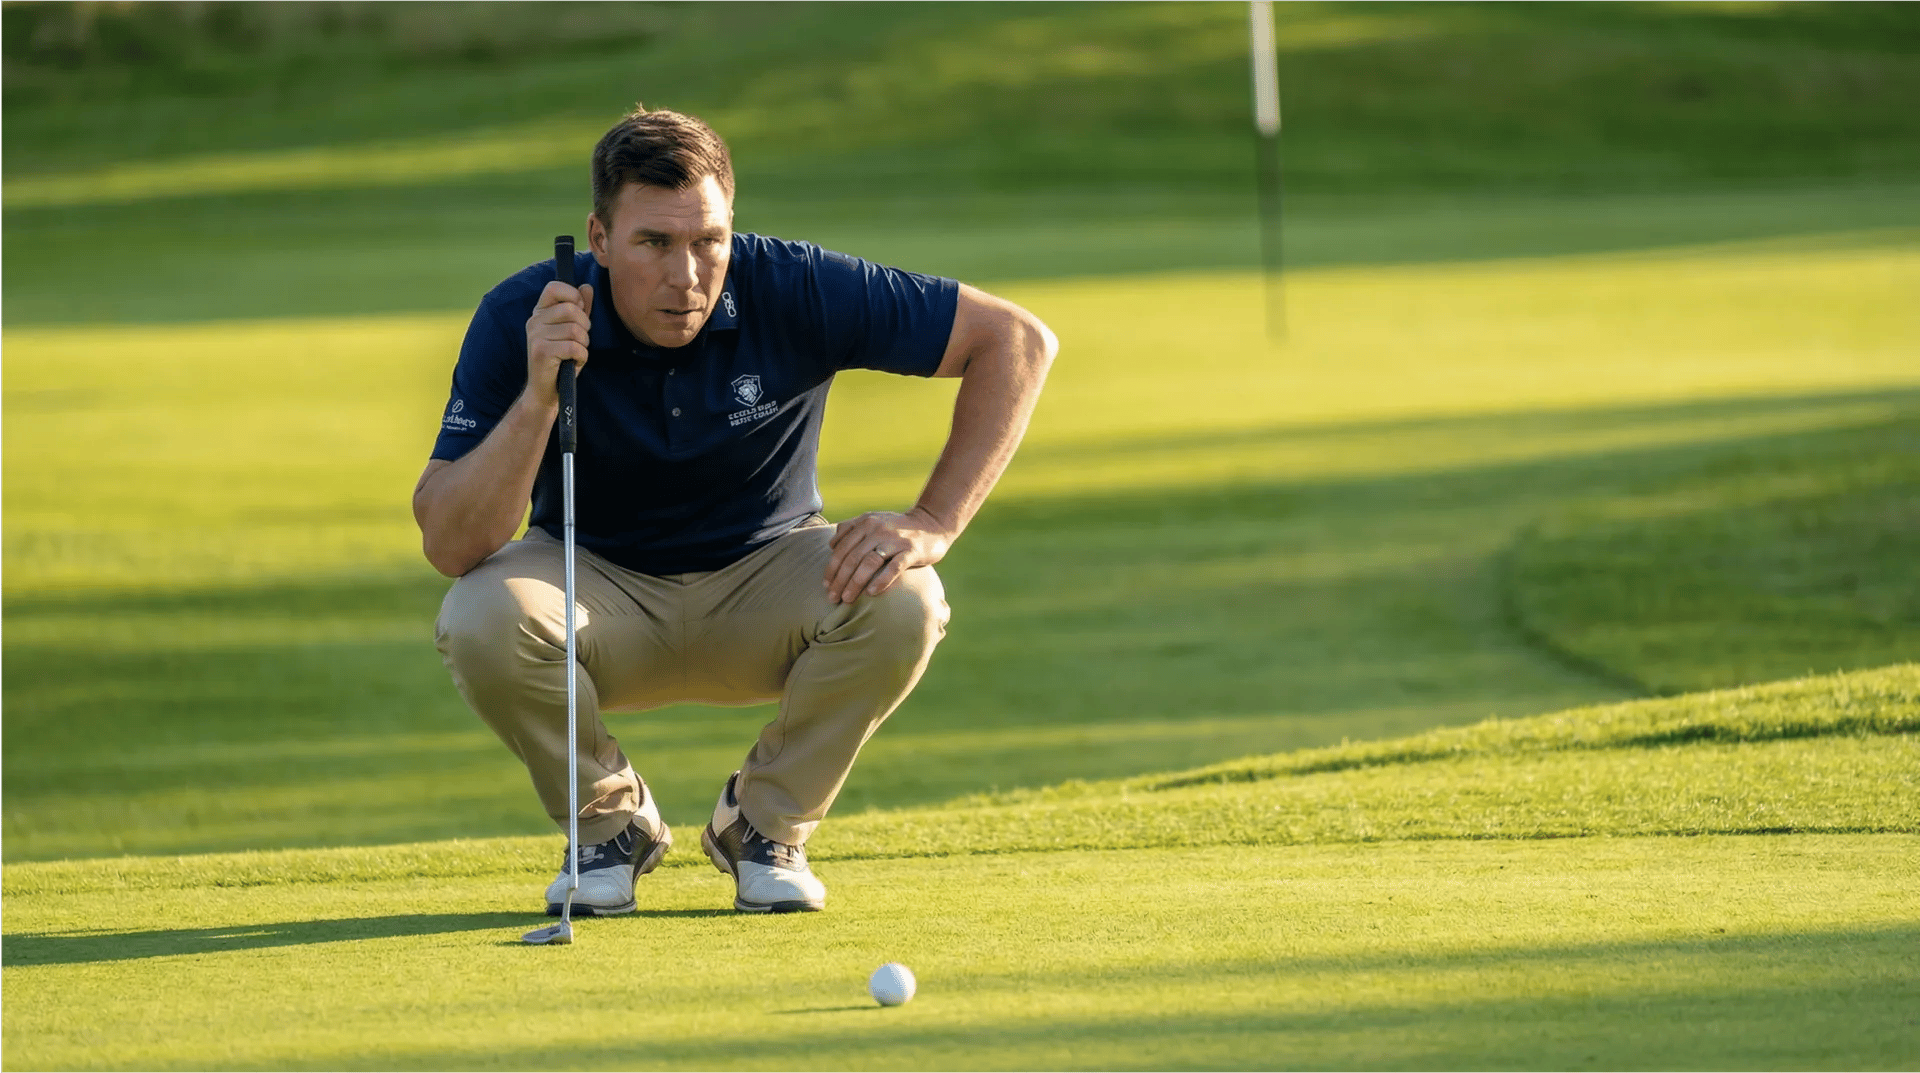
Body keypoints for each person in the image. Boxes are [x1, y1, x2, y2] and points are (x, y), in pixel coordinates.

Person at [412, 106, 1056, 915]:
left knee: (907, 597)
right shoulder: (526, 314)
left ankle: (764, 824)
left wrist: (936, 520)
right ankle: (606, 825)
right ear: (600, 238)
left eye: (707, 240)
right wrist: (541, 392)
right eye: (653, 243)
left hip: (768, 576)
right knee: (478, 613)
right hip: (593, 585)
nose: (686, 273)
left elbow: (1018, 342)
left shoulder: (792, 284)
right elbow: (451, 540)